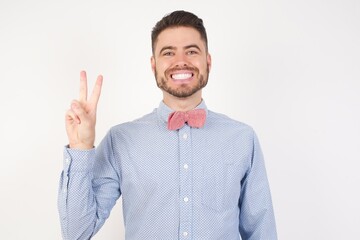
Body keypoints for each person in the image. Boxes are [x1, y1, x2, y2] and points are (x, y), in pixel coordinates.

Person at [58, 10, 277, 240]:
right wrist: (81, 146)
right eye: (168, 52)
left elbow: (262, 232)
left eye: (191, 51)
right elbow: (76, 233)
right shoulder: (121, 141)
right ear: (153, 65)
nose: (180, 61)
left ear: (208, 61)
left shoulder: (242, 138)